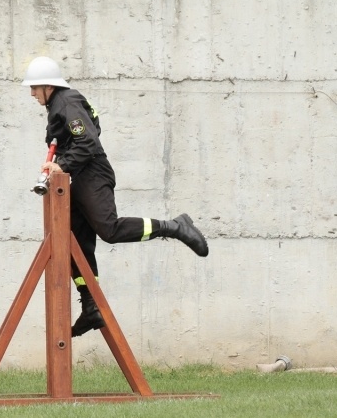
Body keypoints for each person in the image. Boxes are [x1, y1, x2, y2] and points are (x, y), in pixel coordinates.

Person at [21, 56, 209, 337]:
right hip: (79, 176)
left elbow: (88, 141)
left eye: (35, 87)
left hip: (92, 174)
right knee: (74, 241)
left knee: (108, 229)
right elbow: (88, 132)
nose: (32, 93)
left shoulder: (66, 101)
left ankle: (175, 226)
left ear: (48, 86)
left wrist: (62, 164)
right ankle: (90, 305)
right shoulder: (59, 105)